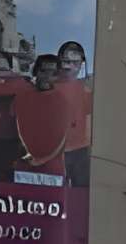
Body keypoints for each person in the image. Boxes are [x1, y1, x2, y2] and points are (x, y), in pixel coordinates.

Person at [9, 53, 75, 184]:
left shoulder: (62, 101)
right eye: (44, 71)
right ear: (36, 71)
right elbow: (15, 129)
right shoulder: (22, 97)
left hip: (52, 169)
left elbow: (63, 138)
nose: (47, 77)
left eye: (53, 73)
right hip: (25, 166)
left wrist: (42, 160)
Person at [50, 40, 94, 186]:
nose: (70, 67)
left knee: (79, 191)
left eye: (75, 63)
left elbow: (88, 122)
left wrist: (87, 150)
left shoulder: (86, 90)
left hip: (79, 151)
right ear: (60, 62)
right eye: (66, 62)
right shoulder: (49, 87)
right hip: (53, 150)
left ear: (81, 64)